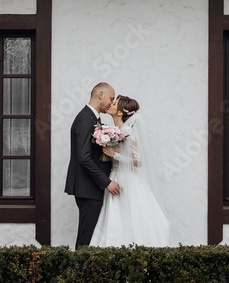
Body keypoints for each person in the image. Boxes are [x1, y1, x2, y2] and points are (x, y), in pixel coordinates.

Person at [90, 95, 171, 247]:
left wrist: (115, 155)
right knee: (116, 216)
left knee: (129, 216)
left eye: (114, 103)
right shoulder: (115, 130)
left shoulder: (127, 130)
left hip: (127, 178)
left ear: (120, 112)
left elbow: (138, 160)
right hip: (115, 175)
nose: (111, 104)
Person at [64, 82, 121, 248]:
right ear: (101, 95)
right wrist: (107, 182)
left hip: (90, 187)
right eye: (111, 98)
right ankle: (79, 272)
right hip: (87, 188)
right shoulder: (84, 119)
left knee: (90, 236)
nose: (111, 103)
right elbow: (84, 157)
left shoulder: (92, 118)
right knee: (86, 238)